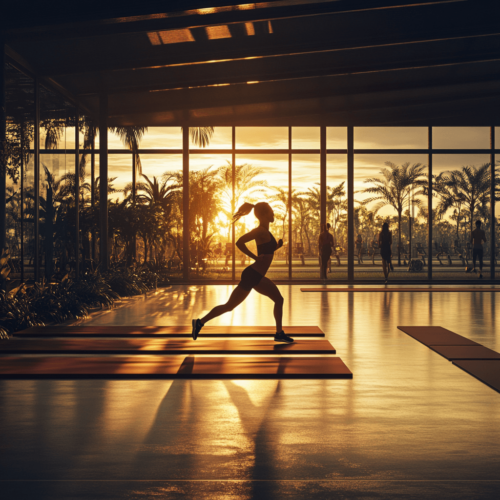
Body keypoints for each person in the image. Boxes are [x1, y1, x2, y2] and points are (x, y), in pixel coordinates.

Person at [192, 202, 293, 343]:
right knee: (230, 306)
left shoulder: (265, 232)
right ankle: (279, 334)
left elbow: (266, 252)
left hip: (256, 276)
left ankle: (200, 322)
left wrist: (277, 246)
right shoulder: (260, 231)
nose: (273, 214)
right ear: (264, 215)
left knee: (231, 306)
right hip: (253, 275)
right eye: (271, 211)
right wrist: (254, 257)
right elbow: (239, 242)